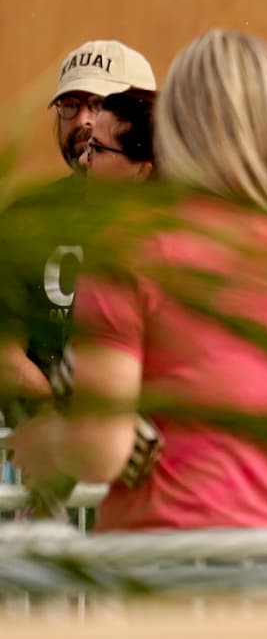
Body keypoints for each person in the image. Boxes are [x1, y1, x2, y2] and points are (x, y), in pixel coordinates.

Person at [11, 29, 267, 531]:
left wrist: (50, 444)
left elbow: (102, 453)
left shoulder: (130, 251)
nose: (87, 135)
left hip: (160, 568)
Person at [1, 41, 156, 417]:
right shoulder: (28, 216)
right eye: (71, 105)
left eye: (100, 104)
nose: (84, 121)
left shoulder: (181, 222)